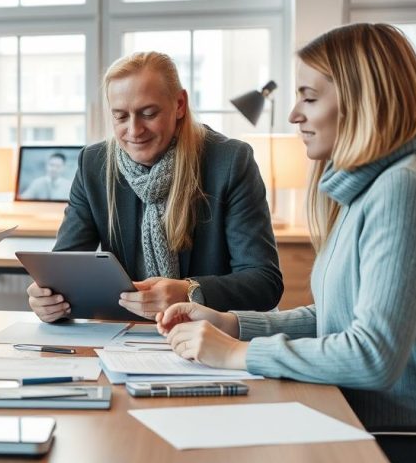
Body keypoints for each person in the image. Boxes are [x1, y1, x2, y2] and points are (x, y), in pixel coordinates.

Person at [156, 24, 416, 429]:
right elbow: (336, 318)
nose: (295, 114)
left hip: (413, 438)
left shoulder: (406, 188)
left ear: (364, 101)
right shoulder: (369, 191)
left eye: (309, 98)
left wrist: (238, 353)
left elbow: (373, 356)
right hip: (361, 418)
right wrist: (232, 325)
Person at [28, 51, 283, 322]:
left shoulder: (230, 162)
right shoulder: (94, 164)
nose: (134, 130)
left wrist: (189, 292)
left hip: (209, 335)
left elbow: (264, 283)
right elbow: (65, 267)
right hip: (122, 333)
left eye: (148, 113)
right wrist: (48, 298)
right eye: (120, 117)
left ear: (180, 105)